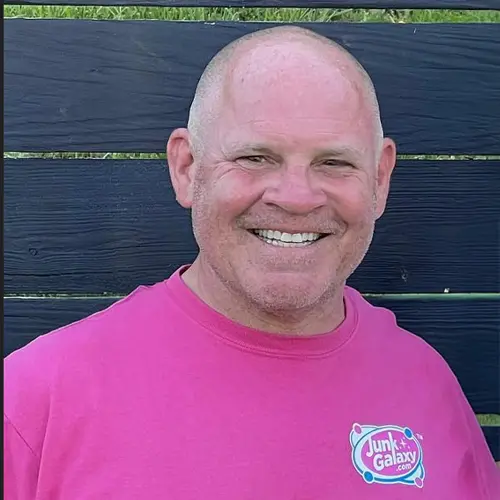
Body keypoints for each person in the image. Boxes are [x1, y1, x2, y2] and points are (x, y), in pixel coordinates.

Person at [4, 25, 499, 499]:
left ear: (380, 179)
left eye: (334, 162)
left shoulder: (424, 382)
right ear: (186, 167)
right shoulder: (35, 402)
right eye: (255, 158)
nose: (297, 197)